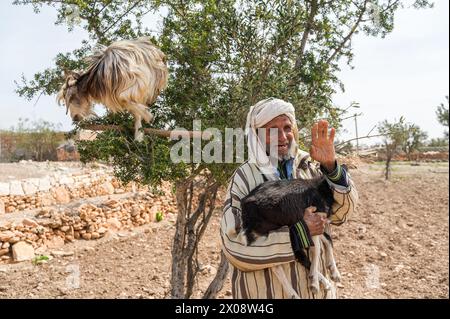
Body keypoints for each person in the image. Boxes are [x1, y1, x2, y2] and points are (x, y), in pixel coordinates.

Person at [220, 97, 358, 299]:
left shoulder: (309, 167)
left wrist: (331, 167)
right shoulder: (244, 178)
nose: (282, 136)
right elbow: (235, 247)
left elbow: (342, 213)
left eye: (287, 127)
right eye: (272, 130)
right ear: (256, 135)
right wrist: (299, 233)